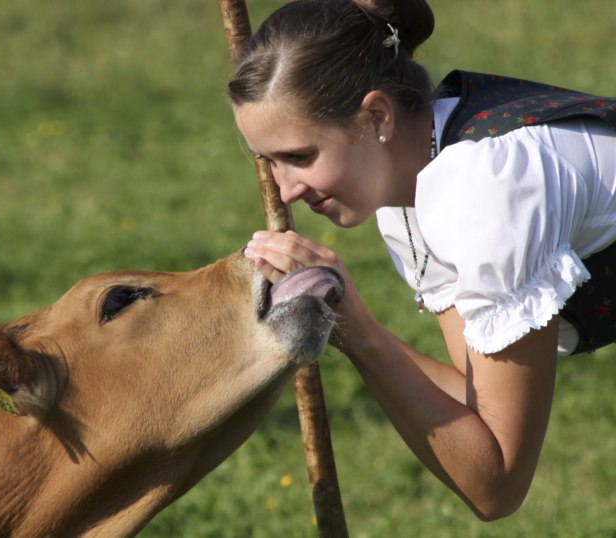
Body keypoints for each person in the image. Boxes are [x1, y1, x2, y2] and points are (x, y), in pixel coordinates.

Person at [232, 0, 616, 521]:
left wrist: (360, 331)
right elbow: (475, 407)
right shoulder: (410, 194)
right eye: (268, 161)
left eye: (300, 157)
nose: (287, 189)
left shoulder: (488, 189)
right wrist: (345, 323)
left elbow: (496, 483)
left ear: (376, 116)